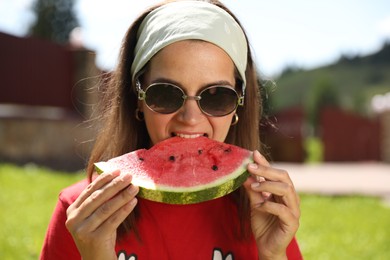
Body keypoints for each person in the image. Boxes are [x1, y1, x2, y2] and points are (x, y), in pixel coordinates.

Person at [41, 1, 302, 259]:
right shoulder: (82, 216)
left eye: (216, 96)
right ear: (138, 98)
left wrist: (273, 254)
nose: (190, 118)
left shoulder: (266, 212)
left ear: (238, 107)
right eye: (165, 93)